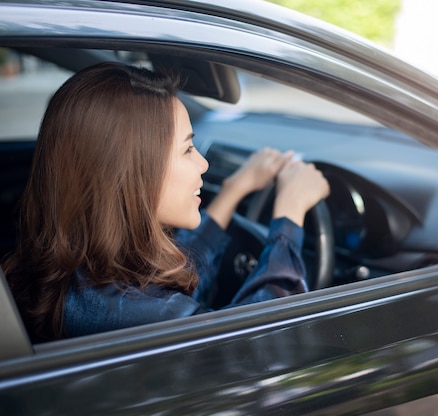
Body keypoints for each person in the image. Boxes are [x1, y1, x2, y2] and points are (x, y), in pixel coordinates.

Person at [2, 62, 329, 342]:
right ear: (133, 173)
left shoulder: (76, 270)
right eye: (188, 149)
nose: (203, 164)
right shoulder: (136, 313)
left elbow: (176, 282)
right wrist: (289, 214)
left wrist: (233, 190)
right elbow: (256, 344)